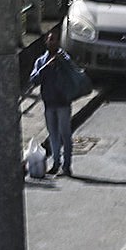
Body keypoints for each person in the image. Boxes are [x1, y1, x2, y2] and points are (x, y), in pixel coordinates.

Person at [28, 28, 79, 178]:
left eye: (55, 39)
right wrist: (46, 68)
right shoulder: (41, 61)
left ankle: (66, 165)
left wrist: (61, 65)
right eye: (50, 39)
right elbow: (33, 79)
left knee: (65, 134)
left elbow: (74, 76)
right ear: (46, 42)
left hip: (63, 102)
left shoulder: (65, 59)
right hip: (49, 103)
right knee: (53, 135)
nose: (53, 42)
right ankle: (56, 163)